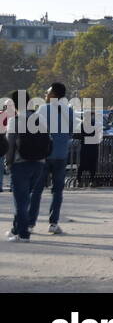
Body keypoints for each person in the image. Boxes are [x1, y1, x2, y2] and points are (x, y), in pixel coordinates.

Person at [29, 83, 74, 235]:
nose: (45, 94)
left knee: (36, 190)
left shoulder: (42, 109)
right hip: (61, 154)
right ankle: (53, 223)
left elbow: (34, 130)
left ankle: (30, 223)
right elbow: (71, 133)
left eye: (47, 92)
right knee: (57, 191)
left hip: (44, 154)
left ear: (53, 94)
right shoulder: (69, 111)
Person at [6, 91, 50, 242]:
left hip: (20, 164)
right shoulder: (40, 118)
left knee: (21, 201)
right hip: (39, 163)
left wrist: (9, 163)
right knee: (25, 199)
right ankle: (16, 229)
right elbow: (48, 140)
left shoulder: (15, 121)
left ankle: (23, 234)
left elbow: (10, 145)